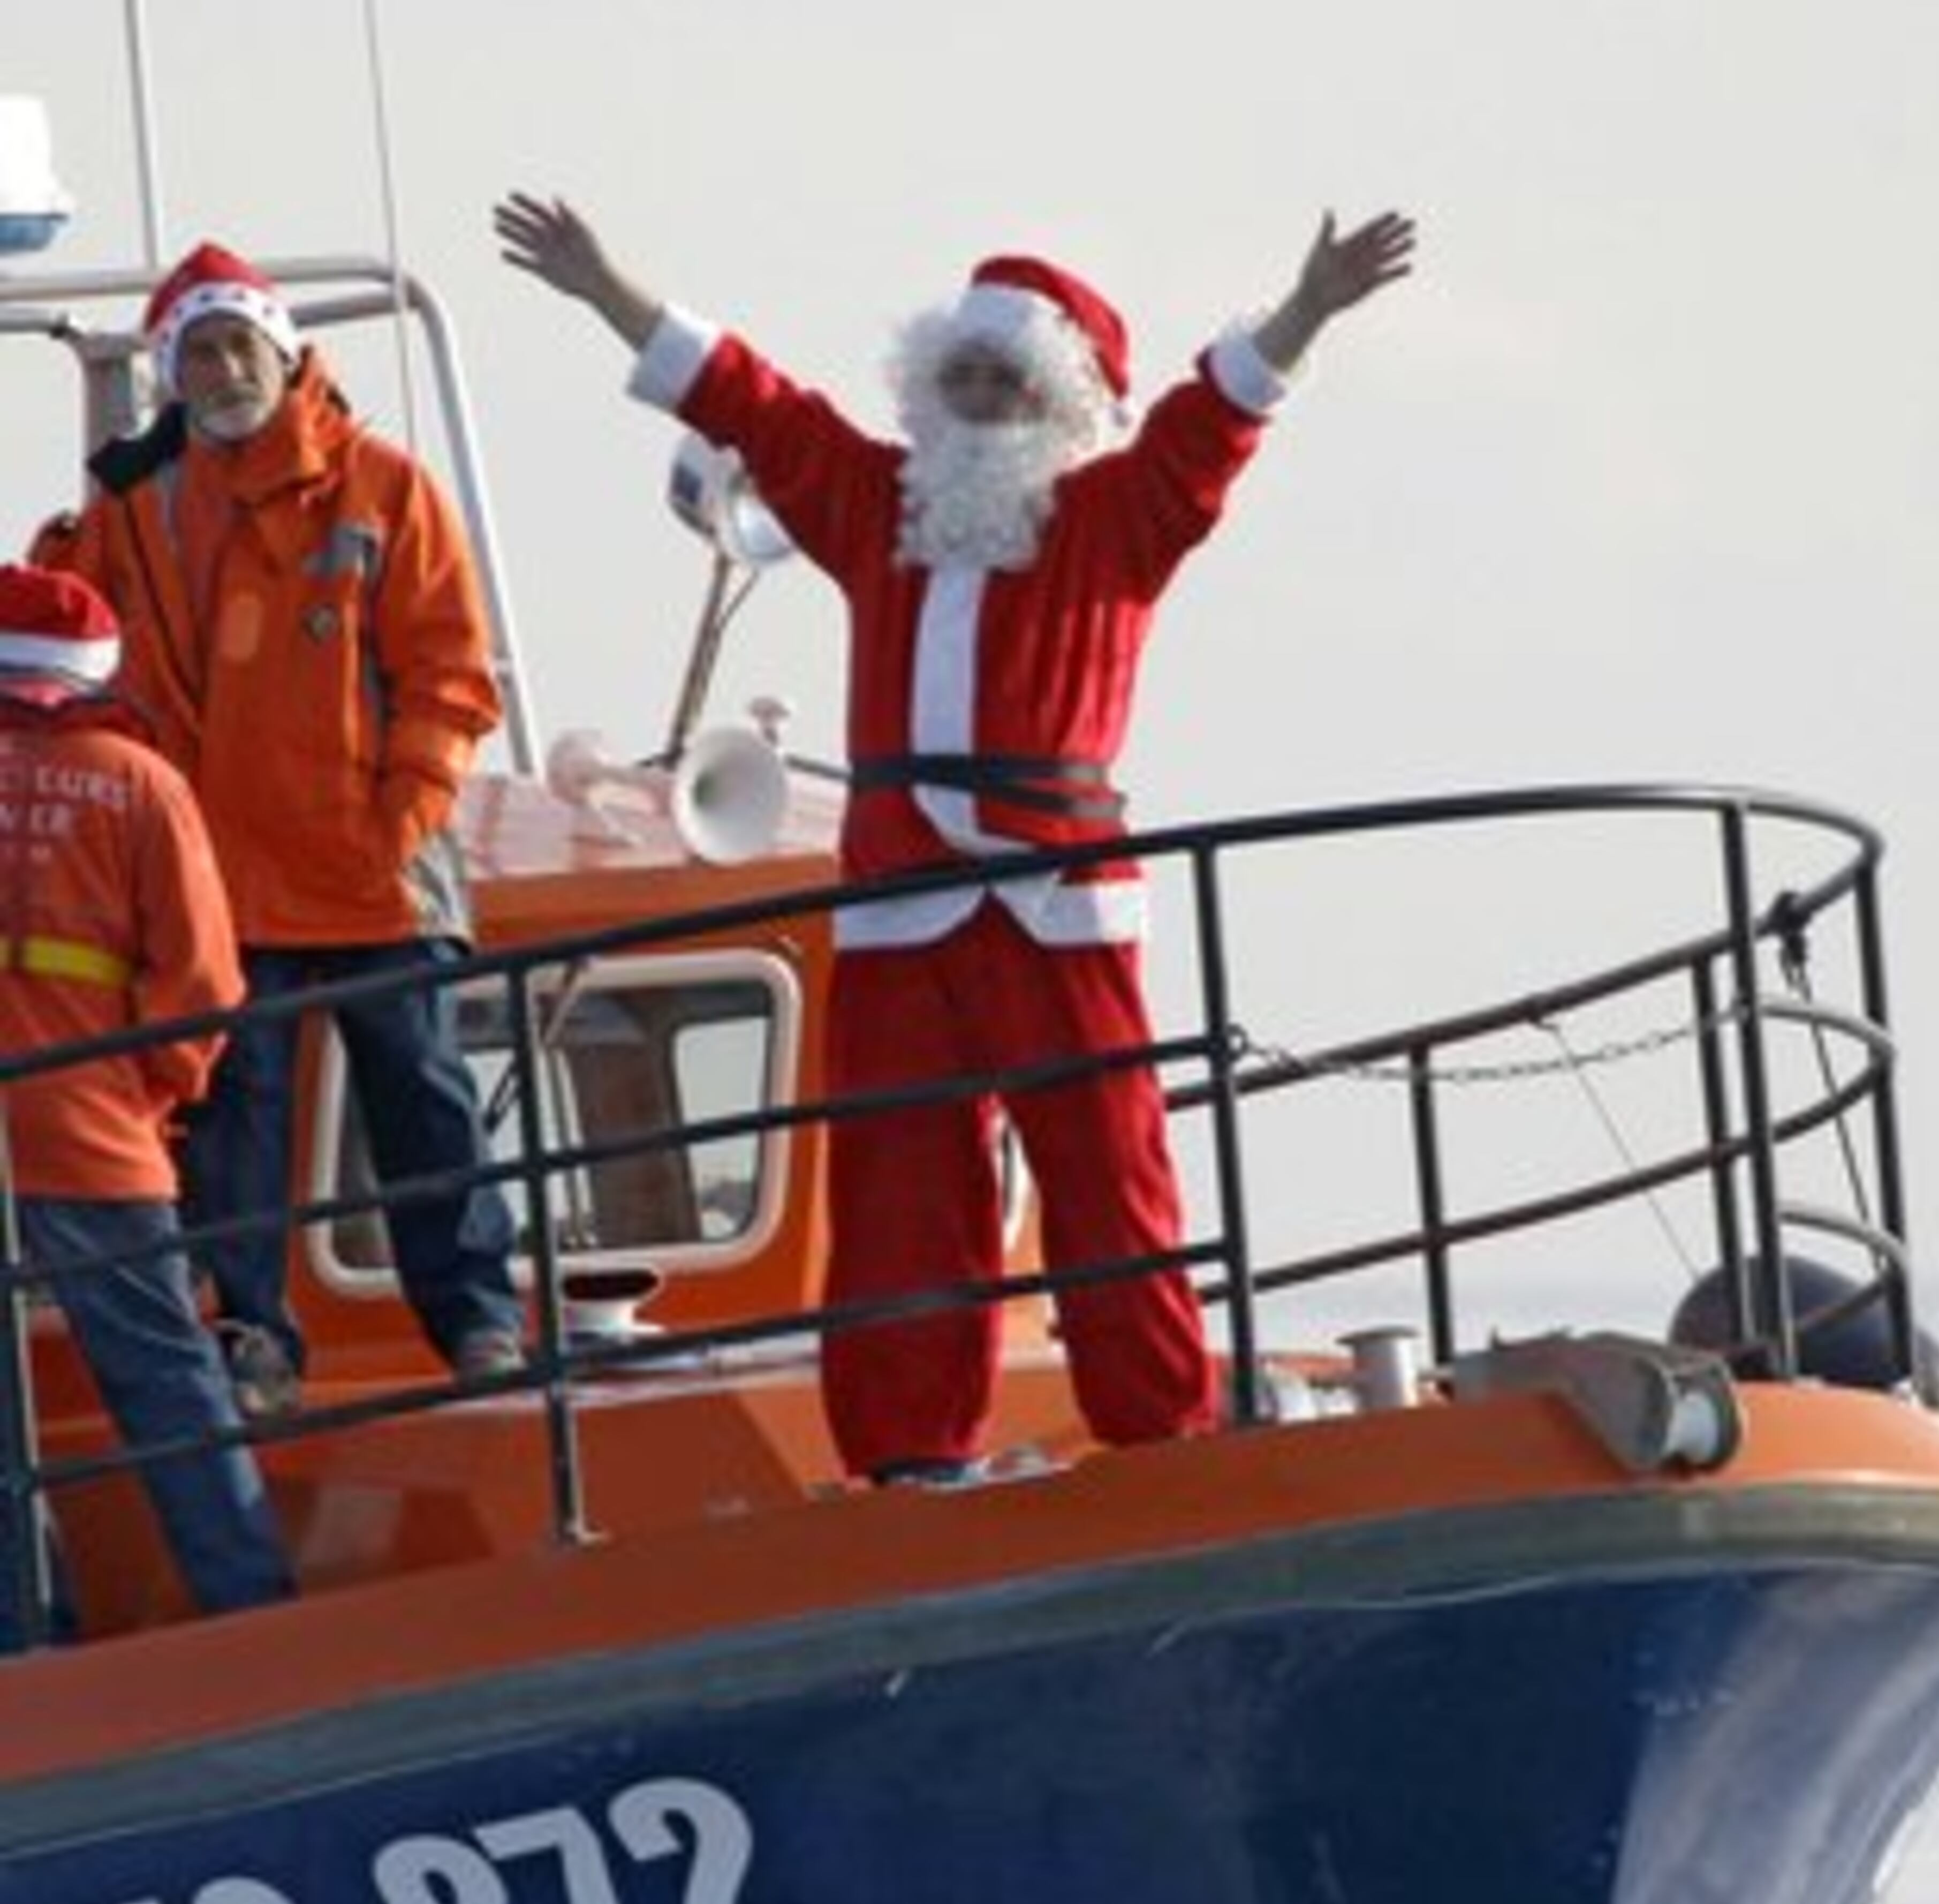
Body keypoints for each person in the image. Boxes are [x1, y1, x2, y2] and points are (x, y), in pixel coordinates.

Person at [493, 192, 1418, 1484]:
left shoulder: (1116, 517)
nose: (982, 399)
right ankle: (913, 1452)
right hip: (900, 900)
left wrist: (1310, 304)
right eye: (964, 374)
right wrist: (609, 289)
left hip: (1056, 894)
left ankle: (1160, 1433)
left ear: (1063, 402)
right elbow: (753, 405)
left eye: (1008, 378)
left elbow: (1212, 427)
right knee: (899, 1191)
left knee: (1110, 1177)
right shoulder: (877, 504)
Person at [34, 240, 525, 1420]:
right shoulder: (137, 514)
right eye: (196, 352)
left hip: (379, 877)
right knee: (232, 1121)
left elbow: (451, 676)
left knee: (423, 1096)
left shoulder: (385, 488)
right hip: (222, 887)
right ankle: (255, 1337)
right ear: (169, 373)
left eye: (236, 345)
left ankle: (480, 1323)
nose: (220, 370)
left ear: (285, 351)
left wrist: (396, 823)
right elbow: (57, 633)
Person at [0, 562, 295, 1648]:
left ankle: (29, 1641)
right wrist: (156, 1096)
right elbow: (206, 986)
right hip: (94, 1134)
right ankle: (253, 1620)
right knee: (172, 1387)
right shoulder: (142, 784)